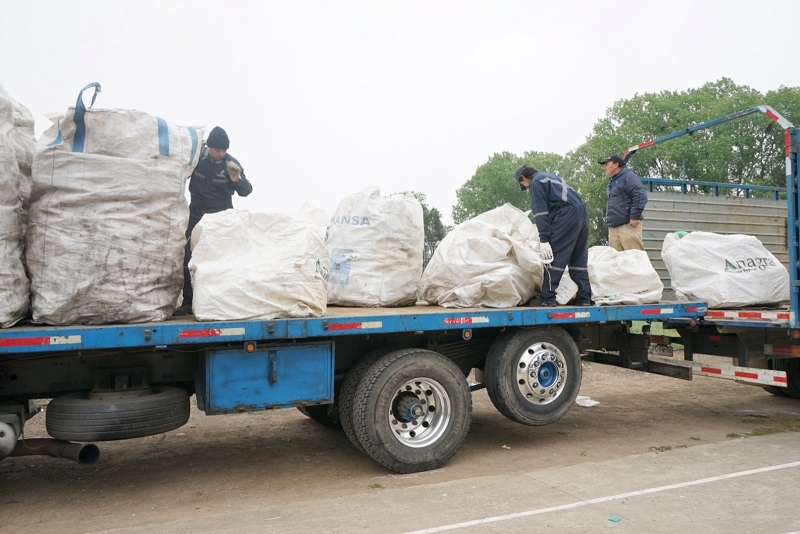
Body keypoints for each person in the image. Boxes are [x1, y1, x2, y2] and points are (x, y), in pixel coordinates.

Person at [175, 126, 253, 315]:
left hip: (220, 217)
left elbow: (247, 190)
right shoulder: (198, 159)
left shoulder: (231, 164)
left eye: (224, 150)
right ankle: (188, 301)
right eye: (218, 150)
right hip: (196, 213)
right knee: (188, 255)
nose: (221, 154)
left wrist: (237, 180)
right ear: (210, 147)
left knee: (221, 259)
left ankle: (221, 302)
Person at [514, 165, 592, 307]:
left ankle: (547, 299)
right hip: (581, 213)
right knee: (578, 258)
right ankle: (584, 298)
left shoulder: (536, 182)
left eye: (523, 185)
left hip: (565, 215)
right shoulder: (550, 177)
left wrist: (544, 240)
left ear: (523, 178)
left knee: (553, 256)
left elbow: (540, 212)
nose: (525, 187)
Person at [598, 155, 648, 251]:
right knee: (616, 262)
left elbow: (641, 196)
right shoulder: (613, 182)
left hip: (628, 227)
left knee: (634, 260)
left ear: (616, 165)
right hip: (613, 228)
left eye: (607, 164)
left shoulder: (629, 177)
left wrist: (634, 217)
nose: (604, 168)